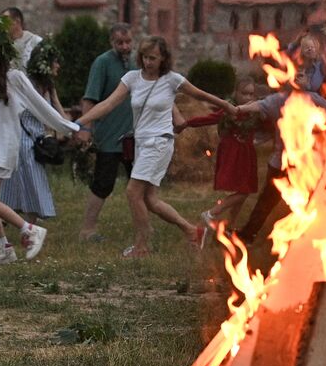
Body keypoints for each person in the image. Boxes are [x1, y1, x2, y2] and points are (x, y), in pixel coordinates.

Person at [76, 35, 236, 258]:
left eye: (153, 58)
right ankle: (192, 231)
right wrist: (81, 121)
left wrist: (227, 106)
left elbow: (199, 94)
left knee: (133, 192)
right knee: (150, 200)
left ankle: (141, 246)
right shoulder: (132, 78)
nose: (148, 62)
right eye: (144, 57)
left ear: (163, 58)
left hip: (159, 142)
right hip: (141, 143)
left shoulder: (171, 80)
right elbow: (108, 104)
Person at [0, 16, 79, 266]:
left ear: (0, 49)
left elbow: (39, 105)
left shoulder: (13, 77)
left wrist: (66, 127)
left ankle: (30, 229)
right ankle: (3, 248)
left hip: (3, 144)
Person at [235, 33, 326, 244]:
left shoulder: (315, 100)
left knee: (312, 201)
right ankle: (247, 234)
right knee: (266, 202)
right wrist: (237, 109)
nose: (299, 79)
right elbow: (258, 105)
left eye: (303, 77)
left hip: (307, 164)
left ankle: (311, 237)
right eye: (296, 76)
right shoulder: (280, 100)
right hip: (280, 163)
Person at [0, 36, 70, 226]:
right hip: (24, 141)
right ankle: (12, 222)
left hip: (32, 141)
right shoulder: (29, 86)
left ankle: (22, 224)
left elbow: (57, 113)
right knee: (29, 185)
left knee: (26, 186)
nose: (58, 66)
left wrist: (69, 127)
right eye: (55, 62)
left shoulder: (46, 86)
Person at [186, 69, 264, 232]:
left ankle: (230, 226)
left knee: (244, 190)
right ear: (236, 93)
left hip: (247, 154)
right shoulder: (229, 110)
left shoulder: (255, 112)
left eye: (251, 94)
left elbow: (270, 122)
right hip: (233, 153)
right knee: (244, 191)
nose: (248, 98)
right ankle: (212, 213)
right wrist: (186, 123)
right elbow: (209, 118)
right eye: (244, 94)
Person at [77, 23, 135, 241]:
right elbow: (90, 97)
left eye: (128, 42)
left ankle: (143, 227)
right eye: (119, 42)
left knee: (140, 184)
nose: (125, 46)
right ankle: (87, 230)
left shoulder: (137, 63)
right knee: (103, 183)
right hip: (109, 136)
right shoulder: (102, 63)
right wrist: (85, 128)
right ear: (111, 42)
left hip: (134, 136)